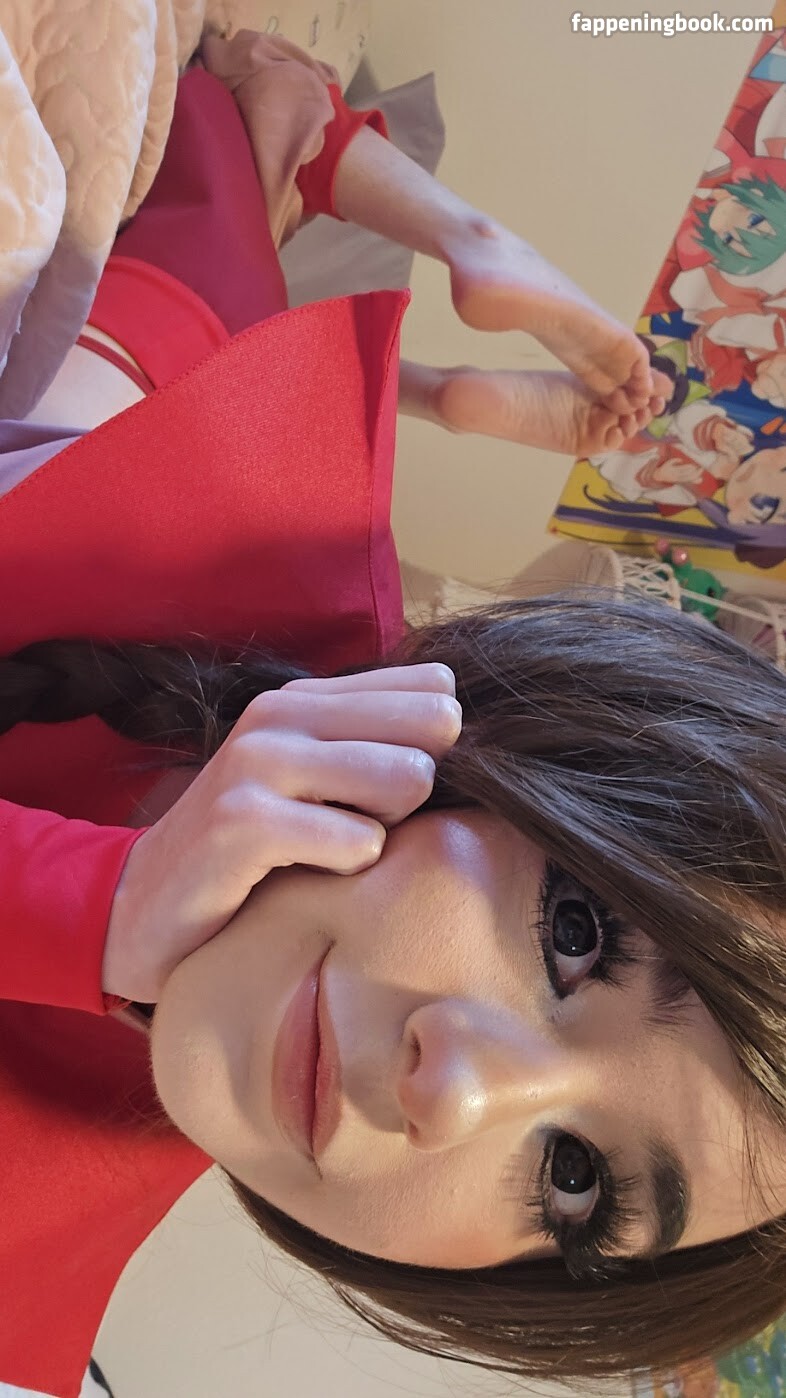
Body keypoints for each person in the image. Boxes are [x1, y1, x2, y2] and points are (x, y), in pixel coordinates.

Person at [0, 24, 781, 1398]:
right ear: (518, 752)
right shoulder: (257, 519)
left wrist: (96, 914)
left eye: (576, 1181)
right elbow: (206, 120)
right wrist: (464, 243)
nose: (458, 1092)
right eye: (577, 933)